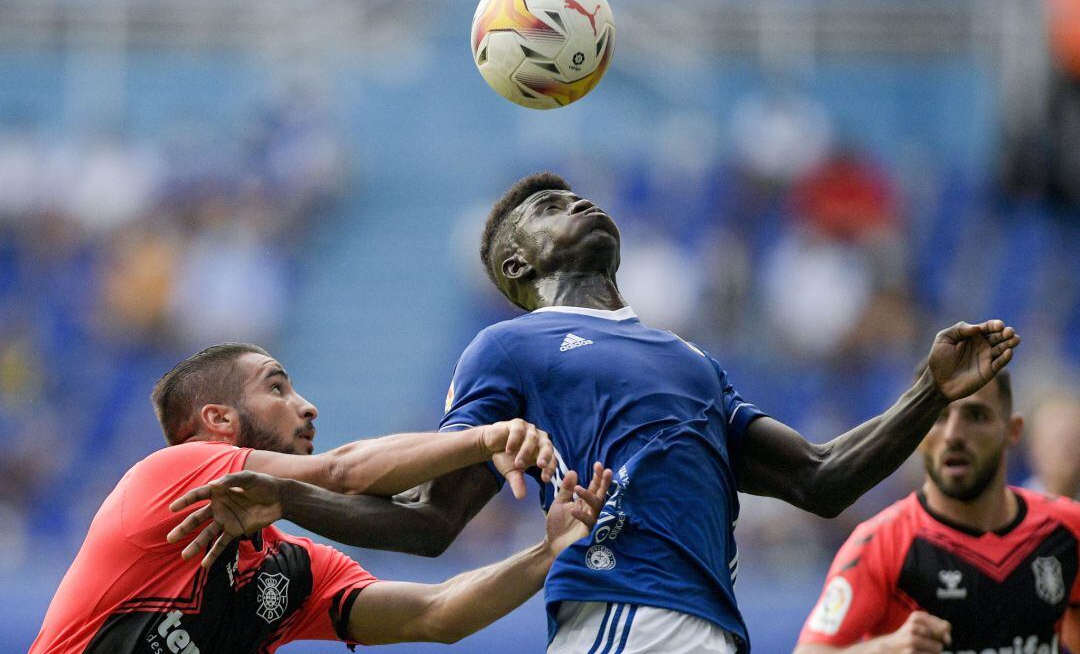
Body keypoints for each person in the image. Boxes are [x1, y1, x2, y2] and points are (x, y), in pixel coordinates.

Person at [176, 173, 1021, 654]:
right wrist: (288, 497)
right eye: (548, 210)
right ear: (516, 261)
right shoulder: (512, 346)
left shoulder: (691, 360)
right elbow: (432, 523)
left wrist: (928, 389)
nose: (574, 202)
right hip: (624, 616)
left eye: (573, 196)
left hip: (710, 630)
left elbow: (822, 478)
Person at [30, 342, 613, 653]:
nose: (307, 406)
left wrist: (547, 552)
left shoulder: (290, 572)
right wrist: (484, 437)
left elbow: (435, 615)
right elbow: (343, 473)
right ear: (218, 419)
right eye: (277, 387)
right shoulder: (172, 476)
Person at [793, 369, 1080, 654]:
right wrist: (885, 649)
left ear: (1012, 431)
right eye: (938, 418)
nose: (954, 435)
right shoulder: (881, 543)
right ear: (916, 432)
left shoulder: (1066, 528)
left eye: (976, 415)